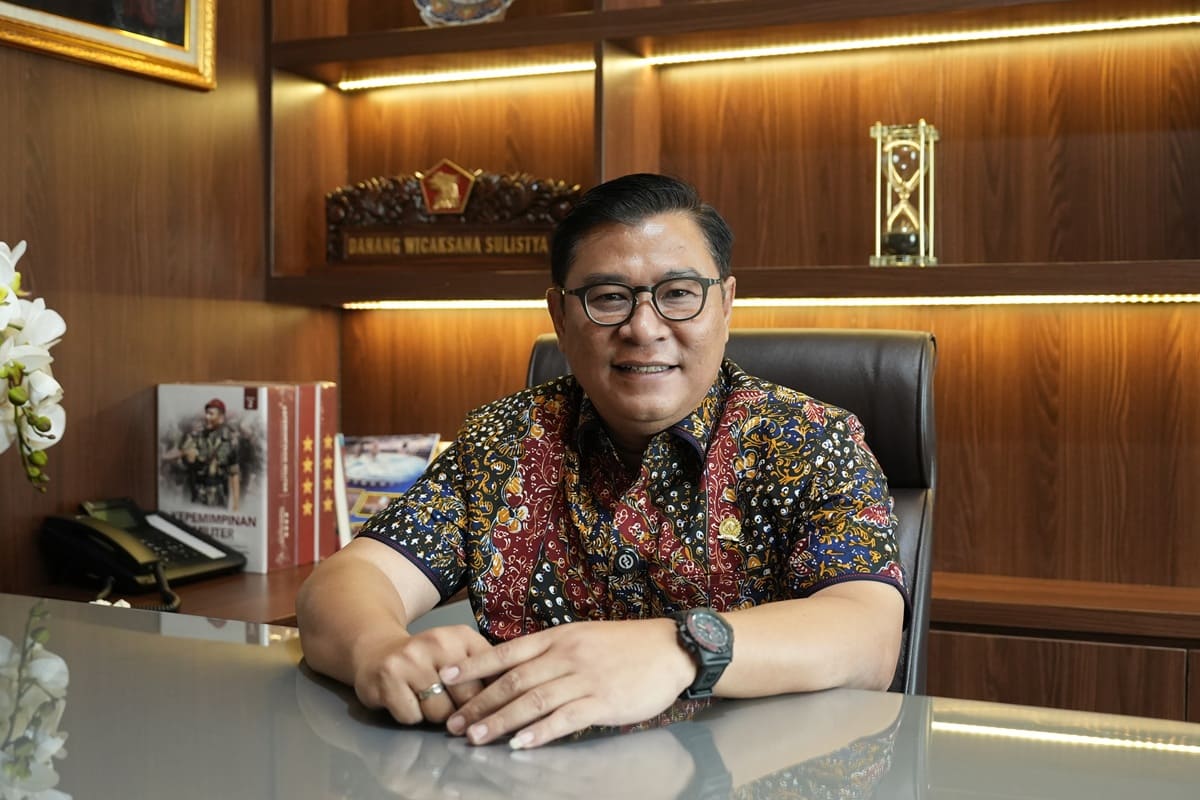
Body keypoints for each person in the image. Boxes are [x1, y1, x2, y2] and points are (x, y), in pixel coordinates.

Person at [296, 173, 907, 751]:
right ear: (560, 317)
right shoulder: (504, 440)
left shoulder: (809, 440)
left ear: (725, 304)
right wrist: (379, 649)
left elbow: (868, 636)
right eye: (609, 298)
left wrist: (679, 650)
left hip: (748, 774)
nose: (643, 328)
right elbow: (352, 578)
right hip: (527, 770)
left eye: (678, 294)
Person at [175, 398, 241, 510]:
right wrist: (188, 458)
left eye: (211, 414)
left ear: (221, 418)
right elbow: (182, 460)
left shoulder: (230, 442)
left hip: (220, 494)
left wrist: (236, 505)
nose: (207, 417)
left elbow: (234, 473)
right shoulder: (196, 438)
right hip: (198, 492)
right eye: (206, 413)